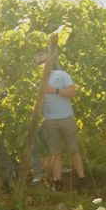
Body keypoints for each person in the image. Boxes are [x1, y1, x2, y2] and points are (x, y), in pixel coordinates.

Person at [35, 50, 86, 191]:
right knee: (54, 153)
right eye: (39, 63)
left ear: (50, 62)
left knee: (74, 150)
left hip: (66, 118)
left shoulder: (61, 75)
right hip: (49, 121)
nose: (42, 65)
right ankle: (57, 181)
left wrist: (54, 90)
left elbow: (72, 92)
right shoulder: (35, 81)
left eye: (44, 62)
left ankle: (82, 179)